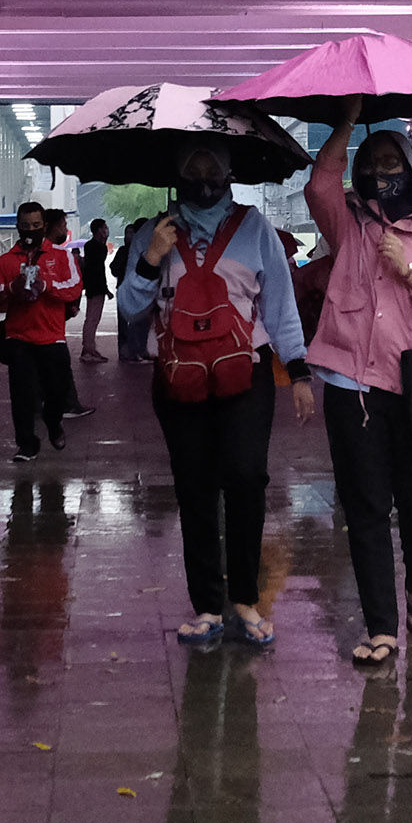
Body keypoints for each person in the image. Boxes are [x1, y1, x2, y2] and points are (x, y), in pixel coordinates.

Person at [117, 142, 315, 648]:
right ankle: (207, 605)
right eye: (192, 166)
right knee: (195, 487)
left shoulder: (255, 229)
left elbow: (280, 305)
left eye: (212, 166)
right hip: (180, 381)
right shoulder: (154, 231)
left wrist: (298, 372)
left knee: (247, 479)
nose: (203, 176)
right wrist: (151, 257)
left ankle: (246, 598)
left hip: (245, 376)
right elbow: (129, 309)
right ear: (178, 172)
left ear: (228, 171)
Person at [304, 96, 412, 665]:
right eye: (372, 162)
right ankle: (381, 626)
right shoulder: (346, 220)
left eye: (392, 161)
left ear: (410, 167)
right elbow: (318, 183)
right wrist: (348, 121)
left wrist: (410, 273)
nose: (382, 171)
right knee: (366, 506)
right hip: (351, 385)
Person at [0, 201, 85, 460]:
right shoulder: (5, 260)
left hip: (52, 337)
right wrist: (12, 288)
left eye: (36, 226)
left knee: (57, 390)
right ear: (18, 227)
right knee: (21, 395)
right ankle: (27, 444)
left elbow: (75, 288)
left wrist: (46, 286)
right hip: (18, 337)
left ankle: (54, 424)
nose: (30, 230)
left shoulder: (61, 256)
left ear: (44, 226)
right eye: (25, 226)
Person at [44, 208, 94, 418]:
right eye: (63, 225)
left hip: (48, 322)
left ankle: (49, 403)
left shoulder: (54, 254)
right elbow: (73, 285)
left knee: (44, 366)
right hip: (49, 326)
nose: (65, 229)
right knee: (59, 364)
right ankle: (67, 404)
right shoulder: (57, 255)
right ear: (53, 227)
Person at [112, 217, 156, 362]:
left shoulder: (146, 249)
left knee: (141, 323)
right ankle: (129, 351)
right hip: (127, 290)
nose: (129, 236)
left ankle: (139, 350)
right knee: (130, 324)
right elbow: (114, 268)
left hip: (138, 292)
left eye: (131, 232)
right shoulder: (126, 251)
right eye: (128, 233)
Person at [79, 217, 113, 363]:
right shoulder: (98, 248)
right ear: (99, 230)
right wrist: (105, 289)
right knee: (92, 319)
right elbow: (98, 270)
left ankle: (89, 348)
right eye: (104, 228)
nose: (106, 230)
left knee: (92, 319)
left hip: (93, 286)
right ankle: (88, 350)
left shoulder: (90, 246)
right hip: (96, 286)